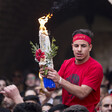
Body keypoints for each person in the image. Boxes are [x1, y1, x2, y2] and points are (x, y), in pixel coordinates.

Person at [40, 29, 103, 112]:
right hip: (67, 109)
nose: (79, 49)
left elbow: (82, 93)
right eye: (76, 46)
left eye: (83, 46)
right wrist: (47, 77)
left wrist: (59, 79)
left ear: (90, 47)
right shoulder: (67, 63)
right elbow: (54, 86)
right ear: (72, 46)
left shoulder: (95, 67)